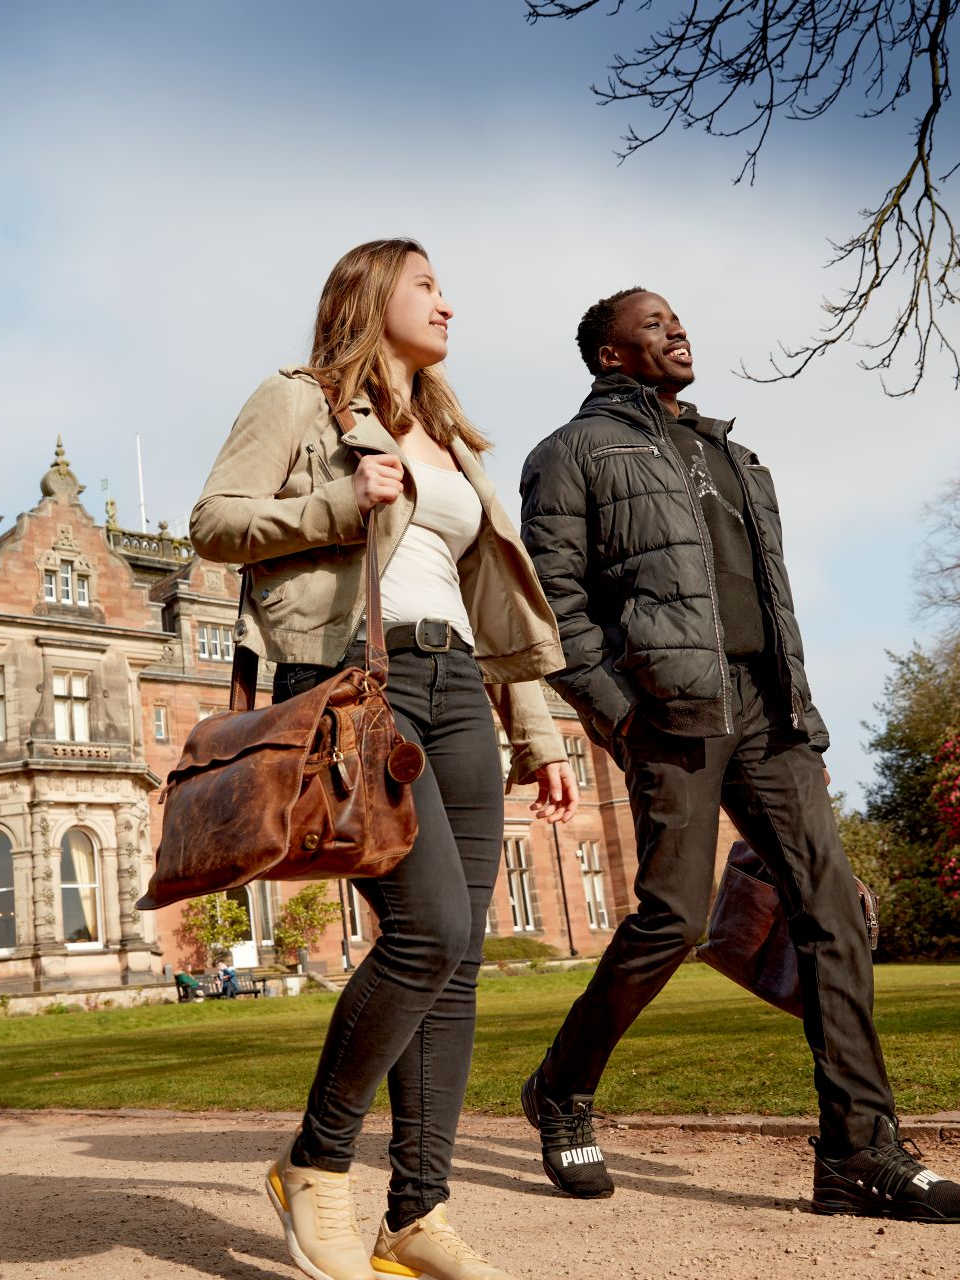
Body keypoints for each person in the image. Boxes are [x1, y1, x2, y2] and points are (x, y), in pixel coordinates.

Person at [517, 286, 960, 1223]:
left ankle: (857, 1152)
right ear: (609, 354)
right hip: (671, 714)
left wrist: (800, 718)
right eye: (653, 322)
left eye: (677, 318)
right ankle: (561, 1086)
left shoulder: (735, 455)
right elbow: (553, 608)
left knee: (834, 913)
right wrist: (622, 717)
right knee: (674, 919)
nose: (676, 328)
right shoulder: (571, 454)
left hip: (768, 711)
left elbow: (768, 604)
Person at [190, 238, 579, 1280]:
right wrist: (337, 502)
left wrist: (537, 734)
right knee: (429, 928)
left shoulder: (447, 435)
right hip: (362, 682)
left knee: (458, 958)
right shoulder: (300, 401)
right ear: (372, 297)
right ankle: (315, 1164)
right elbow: (214, 522)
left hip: (460, 690)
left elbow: (488, 599)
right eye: (427, 286)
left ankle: (416, 1212)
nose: (448, 304)